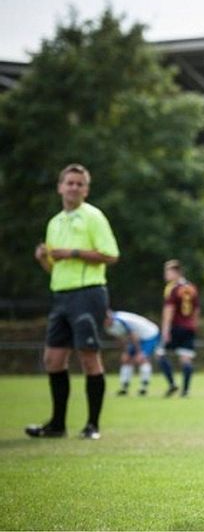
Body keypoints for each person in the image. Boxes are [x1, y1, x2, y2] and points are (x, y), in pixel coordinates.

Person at [26, 163, 120, 440]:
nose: (74, 187)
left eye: (80, 184)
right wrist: (44, 258)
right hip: (61, 295)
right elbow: (55, 267)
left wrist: (74, 252)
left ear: (86, 190)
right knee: (53, 360)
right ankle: (57, 424)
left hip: (88, 293)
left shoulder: (93, 217)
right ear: (60, 187)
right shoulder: (54, 222)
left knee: (89, 357)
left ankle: (92, 425)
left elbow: (111, 255)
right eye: (70, 183)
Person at [160, 259, 200, 398]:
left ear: (176, 272)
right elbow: (196, 310)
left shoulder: (173, 288)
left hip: (176, 327)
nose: (165, 275)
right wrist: (194, 325)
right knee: (186, 359)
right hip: (189, 327)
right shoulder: (191, 288)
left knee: (160, 353)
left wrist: (165, 330)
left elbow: (169, 310)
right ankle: (186, 390)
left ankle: (172, 384)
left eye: (168, 271)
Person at [104, 310, 160, 396]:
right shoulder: (108, 326)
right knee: (126, 359)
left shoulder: (119, 321)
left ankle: (143, 388)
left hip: (149, 334)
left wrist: (139, 352)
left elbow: (134, 336)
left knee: (141, 359)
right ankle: (124, 387)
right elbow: (121, 338)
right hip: (136, 337)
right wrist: (125, 352)